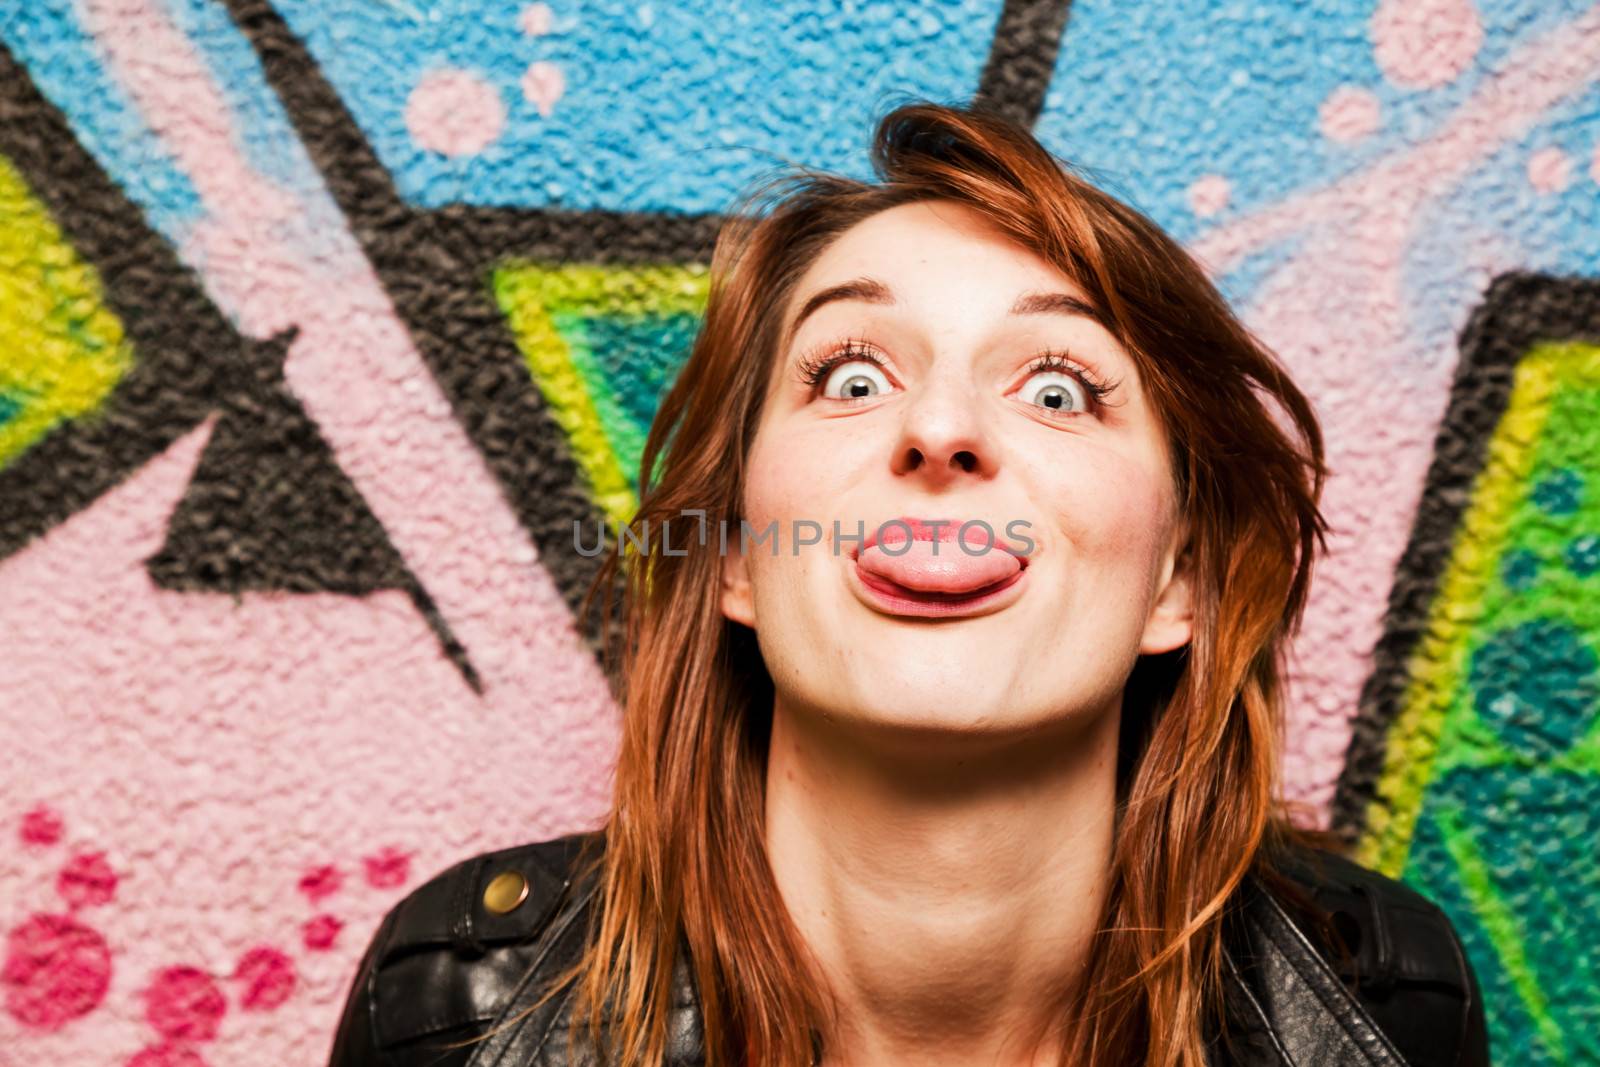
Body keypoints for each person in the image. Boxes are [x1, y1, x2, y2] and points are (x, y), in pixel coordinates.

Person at [327, 100, 1490, 1067]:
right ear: (733, 551)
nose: (938, 427)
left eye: (1056, 389)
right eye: (848, 376)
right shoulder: (457, 1008)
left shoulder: (1384, 1005)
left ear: (1176, 581)